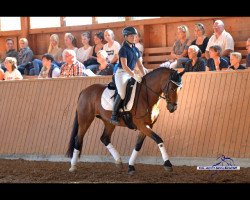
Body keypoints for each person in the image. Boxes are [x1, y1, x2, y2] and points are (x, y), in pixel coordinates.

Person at [110, 26, 146, 125]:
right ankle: (113, 115)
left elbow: (140, 65)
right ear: (125, 37)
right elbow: (125, 66)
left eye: (135, 35)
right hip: (122, 73)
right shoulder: (123, 50)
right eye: (131, 36)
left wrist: (145, 75)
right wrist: (134, 75)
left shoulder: (136, 50)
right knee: (122, 93)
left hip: (131, 73)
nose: (133, 37)